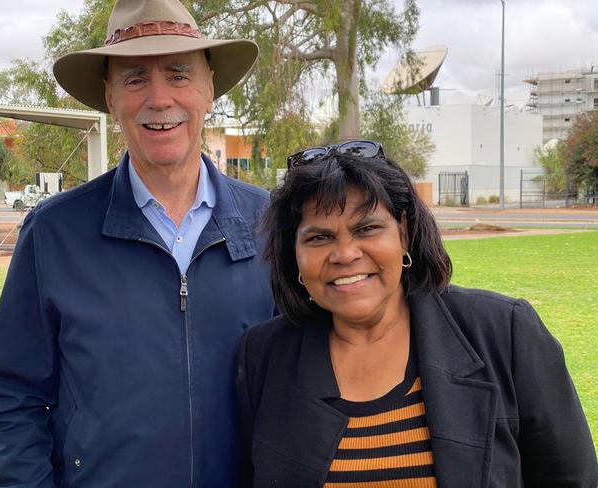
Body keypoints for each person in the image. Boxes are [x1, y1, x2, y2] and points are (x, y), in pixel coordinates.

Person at [0, 1, 275, 486]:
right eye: (135, 78)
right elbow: (15, 395)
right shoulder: (55, 233)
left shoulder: (271, 225)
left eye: (179, 74)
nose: (159, 99)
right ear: (110, 97)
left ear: (209, 90)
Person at [237, 141, 598, 487]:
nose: (345, 254)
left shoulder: (504, 333)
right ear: (294, 254)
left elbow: (573, 479)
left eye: (367, 228)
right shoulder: (265, 355)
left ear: (404, 233)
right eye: (319, 238)